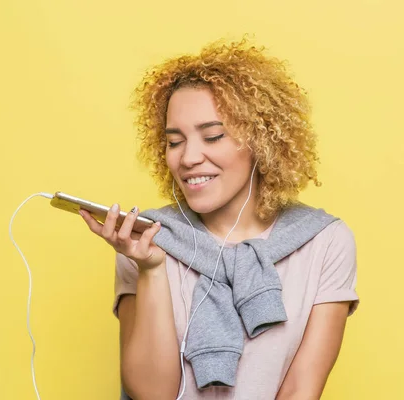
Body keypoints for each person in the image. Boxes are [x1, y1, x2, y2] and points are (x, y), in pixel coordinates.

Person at [79, 38, 360, 400]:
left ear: (262, 141)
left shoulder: (325, 242)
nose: (189, 157)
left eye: (212, 136)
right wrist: (149, 269)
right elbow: (151, 393)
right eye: (174, 142)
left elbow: (300, 390)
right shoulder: (145, 240)